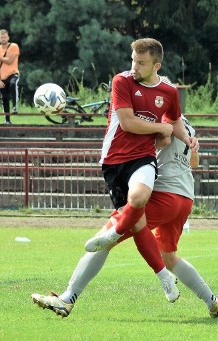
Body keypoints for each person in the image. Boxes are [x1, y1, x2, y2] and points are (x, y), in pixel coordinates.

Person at [31, 116, 218, 318]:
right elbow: (195, 162)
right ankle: (212, 301)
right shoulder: (186, 124)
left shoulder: (163, 117)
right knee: (168, 255)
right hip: (185, 198)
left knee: (105, 239)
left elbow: (160, 141)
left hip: (164, 194)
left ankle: (67, 298)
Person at [81, 38, 198, 301]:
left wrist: (177, 135)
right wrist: (169, 131)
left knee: (129, 212)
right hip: (128, 167)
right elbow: (129, 123)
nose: (135, 65)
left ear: (156, 65)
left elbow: (171, 128)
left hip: (151, 171)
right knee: (151, 239)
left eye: (141, 62)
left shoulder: (168, 96)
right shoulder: (123, 81)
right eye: (133, 60)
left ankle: (69, 294)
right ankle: (178, 284)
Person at [0, 29, 20, 125]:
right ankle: (7, 120)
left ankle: (15, 106)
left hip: (13, 73)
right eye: (1, 37)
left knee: (13, 84)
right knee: (4, 98)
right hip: (2, 77)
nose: (3, 39)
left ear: (8, 37)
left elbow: (10, 60)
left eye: (5, 37)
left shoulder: (14, 46)